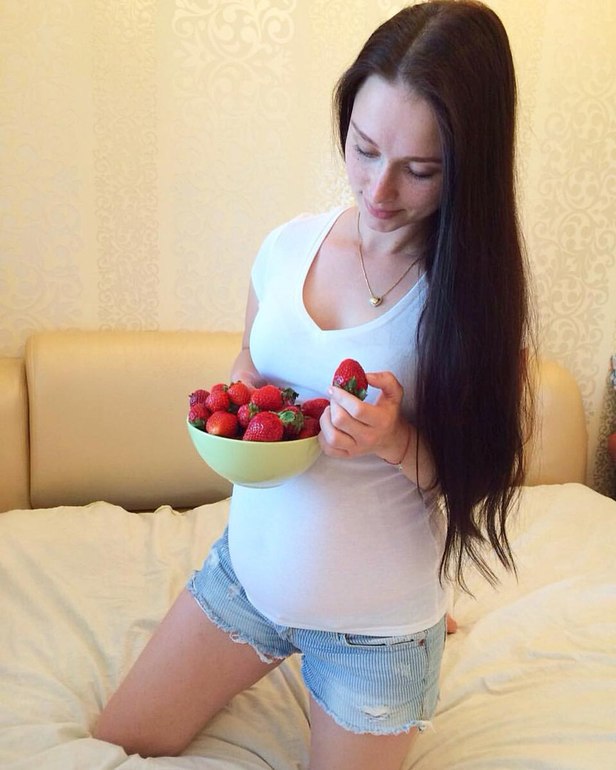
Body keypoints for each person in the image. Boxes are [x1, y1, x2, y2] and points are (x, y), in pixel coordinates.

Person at [93, 2, 533, 767]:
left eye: (420, 170)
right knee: (116, 744)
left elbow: (480, 475)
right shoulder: (287, 247)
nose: (379, 190)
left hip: (375, 631)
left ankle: (432, 632)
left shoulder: (474, 301)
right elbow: (249, 359)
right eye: (364, 149)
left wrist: (394, 440)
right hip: (245, 580)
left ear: (470, 165)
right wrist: (237, 397)